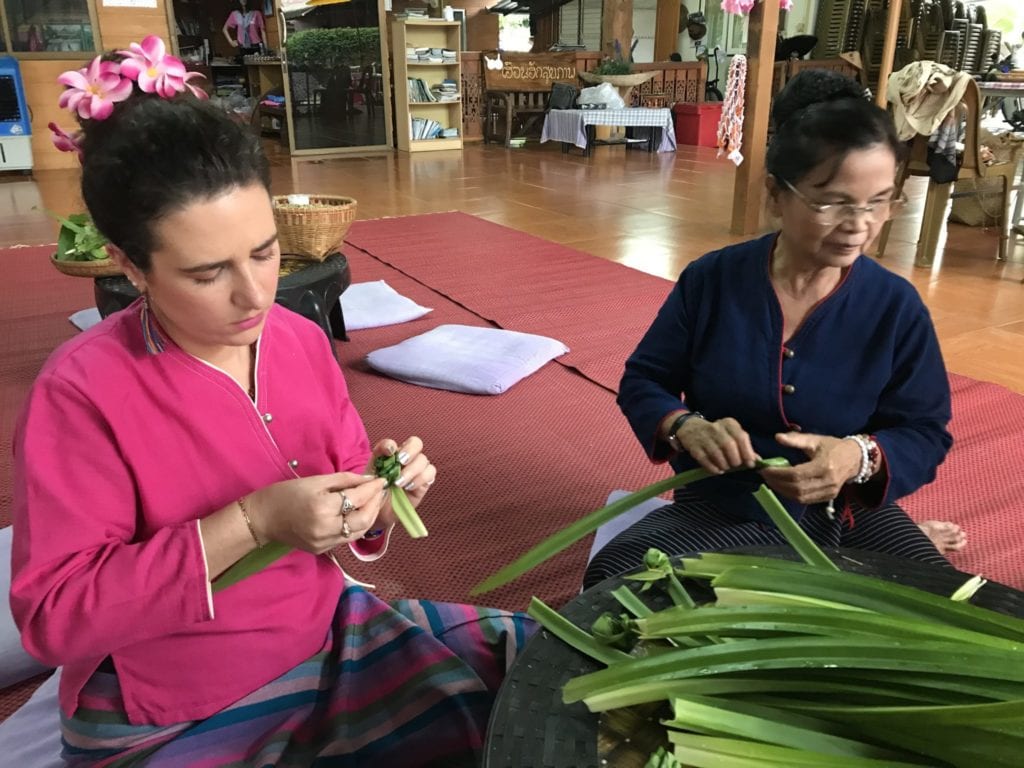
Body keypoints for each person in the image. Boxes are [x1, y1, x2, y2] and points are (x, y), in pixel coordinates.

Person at [14, 41, 532, 767]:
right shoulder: (83, 391)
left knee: (546, 668)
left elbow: (346, 489)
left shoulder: (295, 339)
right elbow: (55, 619)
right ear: (129, 266)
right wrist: (253, 521)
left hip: (323, 627)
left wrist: (380, 494)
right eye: (206, 273)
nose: (255, 295)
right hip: (179, 698)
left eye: (263, 253)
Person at [585, 70, 965, 590]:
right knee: (621, 584)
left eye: (879, 200)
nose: (860, 223)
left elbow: (924, 432)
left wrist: (857, 456)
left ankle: (868, 550)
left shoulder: (894, 307)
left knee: (942, 608)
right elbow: (644, 382)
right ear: (776, 194)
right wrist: (686, 427)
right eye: (831, 201)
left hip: (845, 515)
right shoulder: (713, 281)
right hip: (725, 511)